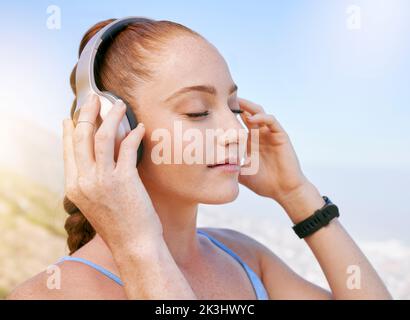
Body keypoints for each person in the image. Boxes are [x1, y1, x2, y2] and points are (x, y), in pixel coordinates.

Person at [7, 17, 391, 300]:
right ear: (115, 127)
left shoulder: (243, 256)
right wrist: (139, 248)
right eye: (196, 111)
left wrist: (297, 195)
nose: (236, 132)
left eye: (234, 107)